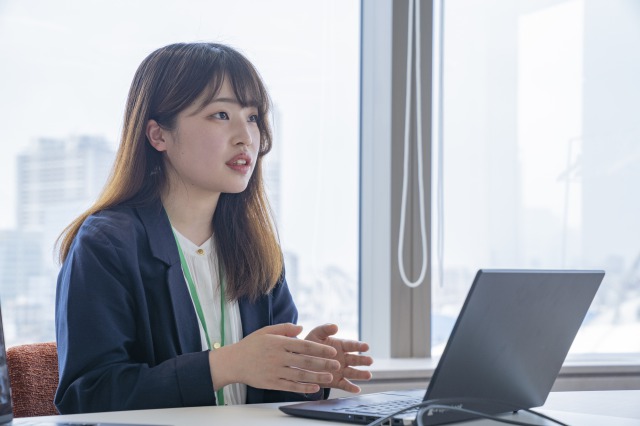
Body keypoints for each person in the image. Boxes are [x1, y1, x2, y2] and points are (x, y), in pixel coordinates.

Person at [54, 42, 373, 414]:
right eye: (221, 114)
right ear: (158, 135)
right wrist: (226, 365)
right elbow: (87, 397)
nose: (246, 136)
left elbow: (262, 405)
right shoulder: (107, 244)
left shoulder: (256, 247)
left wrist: (305, 373)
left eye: (252, 116)